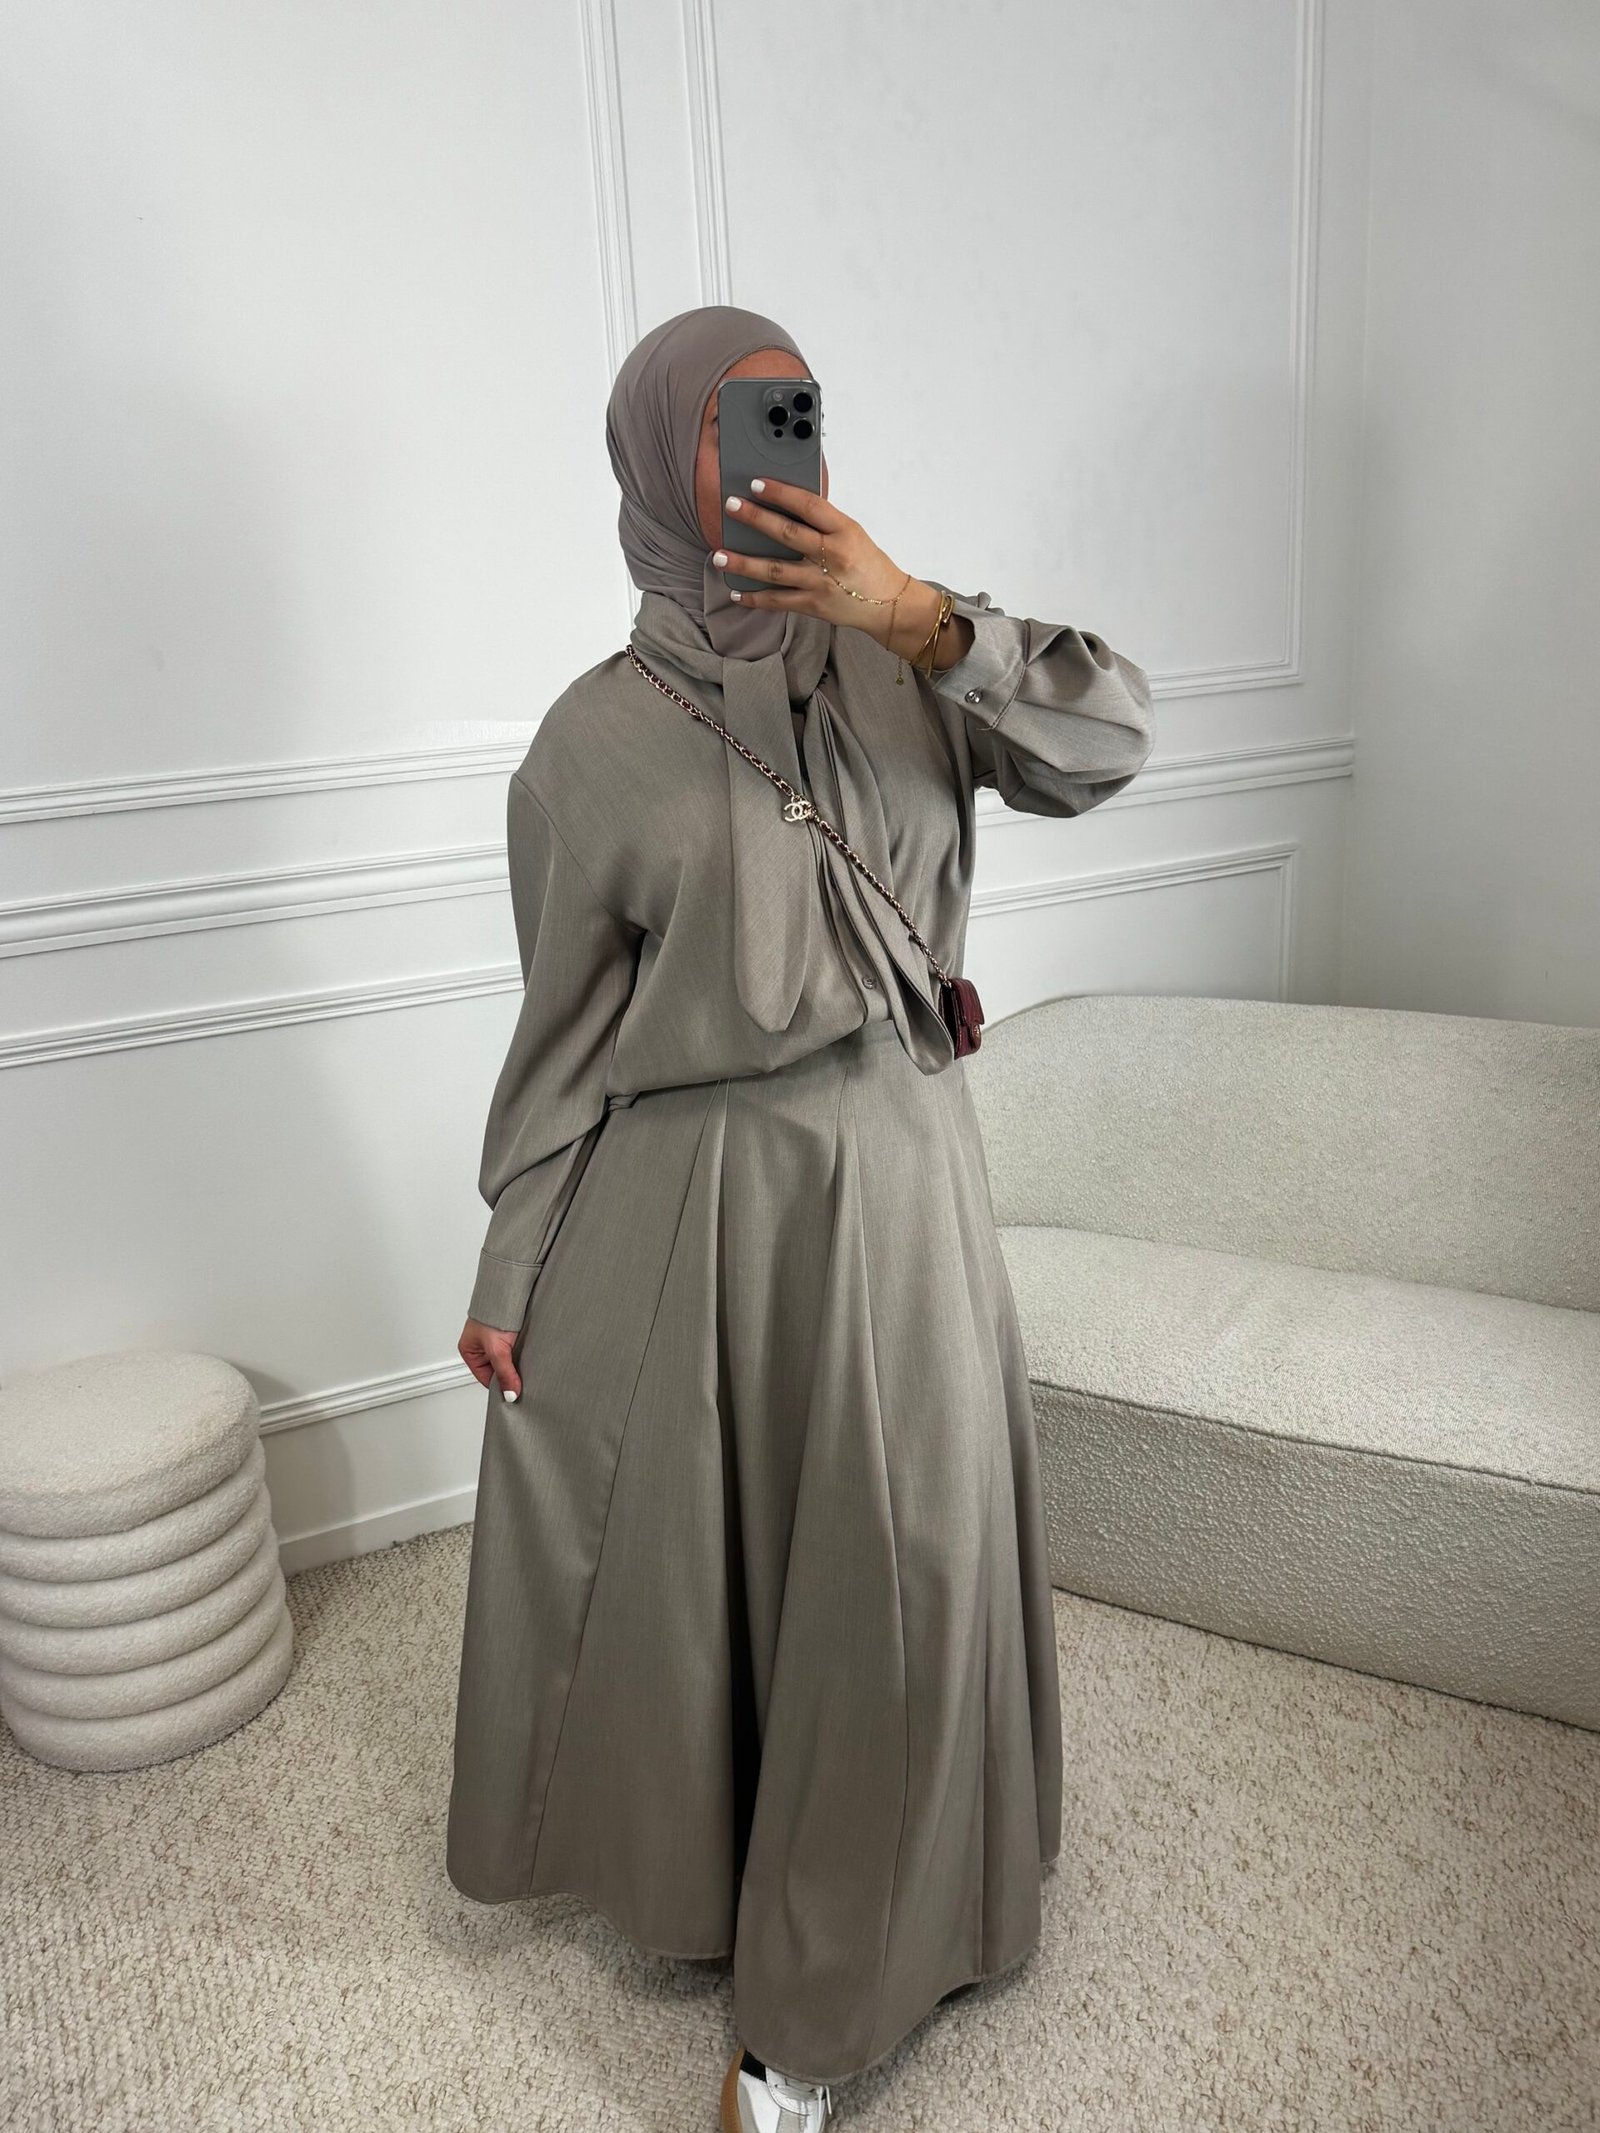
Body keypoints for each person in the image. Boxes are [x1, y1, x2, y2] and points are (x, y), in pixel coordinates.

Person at [445, 304, 1156, 2132]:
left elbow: (1111, 741)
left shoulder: (916, 660)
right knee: (712, 1578)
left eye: (801, 406)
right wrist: (512, 1265)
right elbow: (565, 1042)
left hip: (898, 1176)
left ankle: (817, 2005)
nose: (788, 436)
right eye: (737, 416)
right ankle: (727, 1880)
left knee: (894, 1573)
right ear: (653, 458)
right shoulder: (584, 748)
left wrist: (916, 615)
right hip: (695, 1210)